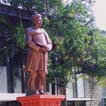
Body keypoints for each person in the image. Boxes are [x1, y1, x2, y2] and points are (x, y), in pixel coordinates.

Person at [24, 13, 52, 95]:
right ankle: (33, 89)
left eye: (41, 20)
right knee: (34, 71)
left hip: (43, 54)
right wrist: (38, 48)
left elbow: (50, 42)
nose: (40, 22)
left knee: (42, 72)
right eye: (38, 20)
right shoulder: (29, 30)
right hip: (34, 53)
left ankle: (41, 88)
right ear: (34, 21)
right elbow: (29, 42)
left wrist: (48, 48)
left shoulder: (43, 31)